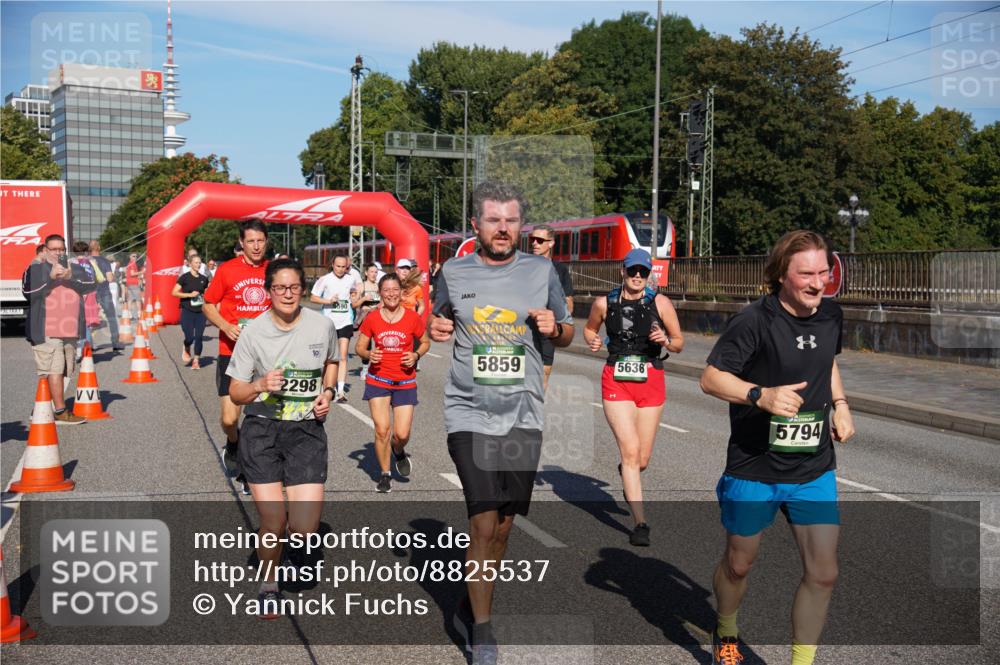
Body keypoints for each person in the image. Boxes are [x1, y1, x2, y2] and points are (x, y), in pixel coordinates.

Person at [430, 180, 574, 665]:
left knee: (505, 526)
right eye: (494, 220)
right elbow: (435, 318)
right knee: (483, 518)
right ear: (476, 225)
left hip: (523, 413)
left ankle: (472, 602)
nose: (503, 228)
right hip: (468, 410)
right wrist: (436, 326)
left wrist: (558, 329)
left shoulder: (542, 269)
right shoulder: (452, 270)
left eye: (511, 220)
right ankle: (485, 632)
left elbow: (568, 330)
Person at [699, 230, 856, 665]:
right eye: (806, 273)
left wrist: (840, 404)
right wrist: (760, 396)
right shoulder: (755, 320)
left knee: (824, 573)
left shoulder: (831, 316)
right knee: (739, 563)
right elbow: (710, 378)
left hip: (813, 469)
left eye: (824, 272)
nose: (818, 283)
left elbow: (827, 360)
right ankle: (726, 629)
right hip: (755, 467)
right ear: (781, 275)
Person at [226, 258, 337, 617]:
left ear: (303, 289)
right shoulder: (254, 332)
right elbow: (237, 393)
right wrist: (259, 384)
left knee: (304, 528)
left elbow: (332, 362)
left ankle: (289, 545)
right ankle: (269, 583)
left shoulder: (322, 326)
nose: (287, 294)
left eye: (293, 287)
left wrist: (329, 392)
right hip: (262, 430)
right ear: (268, 291)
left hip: (306, 430)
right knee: (273, 520)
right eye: (279, 288)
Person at [583, 248, 683, 546]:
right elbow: (588, 330)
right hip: (616, 379)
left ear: (648, 273)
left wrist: (666, 340)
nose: (637, 276)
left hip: (651, 379)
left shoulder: (661, 303)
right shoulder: (605, 302)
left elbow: (679, 343)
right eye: (632, 271)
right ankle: (641, 523)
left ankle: (630, 472)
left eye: (642, 271)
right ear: (622, 272)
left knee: (641, 459)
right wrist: (594, 340)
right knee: (629, 452)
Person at [203, 220, 272, 495]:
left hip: (265, 356)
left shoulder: (273, 270)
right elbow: (208, 304)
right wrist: (225, 326)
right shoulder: (227, 270)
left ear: (266, 241)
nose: (256, 246)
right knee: (231, 419)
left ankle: (250, 471)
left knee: (261, 419)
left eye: (260, 241)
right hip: (230, 353)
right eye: (251, 241)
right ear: (241, 243)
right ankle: (233, 442)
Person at [356, 273, 430, 493]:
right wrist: (369, 354)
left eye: (394, 289)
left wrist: (416, 355)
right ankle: (385, 474)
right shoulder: (372, 318)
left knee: (402, 435)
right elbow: (359, 347)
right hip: (378, 379)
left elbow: (425, 342)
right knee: (382, 430)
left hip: (405, 381)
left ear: (401, 292)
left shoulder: (412, 318)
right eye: (386, 290)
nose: (391, 294)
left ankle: (398, 451)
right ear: (381, 293)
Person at [21, 234, 96, 424]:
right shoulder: (37, 268)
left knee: (66, 370)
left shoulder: (74, 268)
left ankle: (43, 407)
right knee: (54, 370)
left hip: (70, 329)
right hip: (47, 329)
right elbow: (28, 293)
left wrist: (71, 277)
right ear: (46, 250)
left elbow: (91, 284)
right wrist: (50, 278)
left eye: (61, 249)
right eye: (54, 249)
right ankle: (61, 412)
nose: (58, 252)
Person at [310, 254, 362, 403]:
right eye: (338, 266)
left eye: (343, 267)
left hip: (345, 321)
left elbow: (352, 295)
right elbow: (313, 297)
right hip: (329, 322)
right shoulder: (324, 279)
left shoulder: (350, 279)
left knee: (343, 356)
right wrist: (329, 301)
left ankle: (340, 391)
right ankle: (321, 386)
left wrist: (354, 297)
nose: (340, 269)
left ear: (347, 267)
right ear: (332, 265)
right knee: (327, 357)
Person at [529, 224, 575, 389]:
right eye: (532, 239)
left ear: (551, 243)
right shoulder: (522, 266)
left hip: (547, 328)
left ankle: (534, 410)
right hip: (523, 327)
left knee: (542, 376)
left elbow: (569, 303)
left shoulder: (559, 270)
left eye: (540, 240)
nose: (535, 243)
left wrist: (560, 317)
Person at [172, 255, 211, 369]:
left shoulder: (204, 278)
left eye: (199, 263)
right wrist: (189, 294)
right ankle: (186, 346)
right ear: (190, 264)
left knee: (198, 336)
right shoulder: (184, 277)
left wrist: (206, 295)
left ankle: (196, 360)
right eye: (196, 262)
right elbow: (174, 292)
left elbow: (209, 292)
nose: (198, 265)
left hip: (200, 312)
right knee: (189, 337)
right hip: (187, 310)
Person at [86, 240, 123, 352]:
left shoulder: (86, 261)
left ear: (89, 249)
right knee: (111, 317)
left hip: (90, 292)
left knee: (89, 319)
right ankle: (115, 343)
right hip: (104, 291)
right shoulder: (105, 261)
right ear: (99, 248)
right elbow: (110, 278)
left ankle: (89, 344)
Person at [355, 263, 382, 381]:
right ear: (366, 273)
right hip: (365, 318)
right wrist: (364, 299)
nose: (374, 274)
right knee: (367, 344)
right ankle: (365, 368)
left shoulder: (379, 286)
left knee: (380, 343)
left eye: (376, 272)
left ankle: (378, 368)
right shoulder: (361, 286)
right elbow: (354, 303)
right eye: (371, 271)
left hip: (378, 317)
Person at [125, 252, 142, 320]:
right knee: (138, 300)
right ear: (130, 257)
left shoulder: (130, 264)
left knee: (130, 299)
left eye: (136, 256)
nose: (135, 257)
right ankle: (139, 314)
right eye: (133, 256)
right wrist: (142, 272)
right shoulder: (132, 264)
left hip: (130, 283)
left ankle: (130, 315)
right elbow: (132, 274)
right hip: (133, 283)